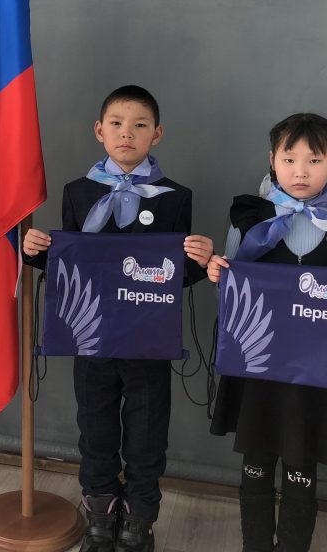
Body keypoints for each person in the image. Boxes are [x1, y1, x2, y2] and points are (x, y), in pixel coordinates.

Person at [22, 85, 213, 552]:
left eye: (140, 125)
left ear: (157, 134)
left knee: (147, 434)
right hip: (92, 341)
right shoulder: (78, 192)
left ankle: (138, 521)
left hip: (148, 343)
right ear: (99, 131)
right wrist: (38, 253)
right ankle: (100, 519)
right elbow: (74, 266)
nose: (127, 133)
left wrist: (200, 261)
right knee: (96, 430)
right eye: (117, 124)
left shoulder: (175, 197)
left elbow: (174, 276)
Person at [207, 112, 327, 552]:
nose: (301, 171)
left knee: (300, 471)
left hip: (315, 376)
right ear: (272, 160)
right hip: (257, 371)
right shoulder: (247, 220)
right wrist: (218, 276)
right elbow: (229, 299)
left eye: (314, 160)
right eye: (289, 159)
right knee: (255, 466)